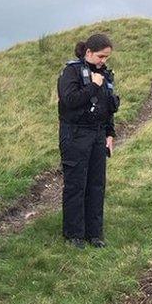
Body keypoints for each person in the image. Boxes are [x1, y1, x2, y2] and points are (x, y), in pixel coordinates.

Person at [57, 33, 120, 249]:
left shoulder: (106, 75)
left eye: (107, 58)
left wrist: (110, 134)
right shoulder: (71, 72)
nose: (104, 61)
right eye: (101, 56)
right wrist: (92, 86)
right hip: (75, 134)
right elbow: (69, 100)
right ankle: (74, 235)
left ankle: (95, 234)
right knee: (76, 184)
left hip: (98, 135)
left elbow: (108, 107)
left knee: (96, 184)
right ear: (89, 52)